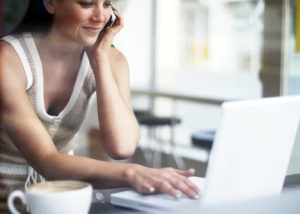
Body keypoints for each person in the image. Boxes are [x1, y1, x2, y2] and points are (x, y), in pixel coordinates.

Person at [0, 0, 199, 212]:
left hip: (60, 201)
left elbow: (122, 146)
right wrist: (132, 173)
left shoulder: (112, 59)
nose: (100, 16)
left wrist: (100, 59)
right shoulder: (7, 59)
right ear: (50, 3)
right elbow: (46, 161)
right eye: (86, 4)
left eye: (106, 4)